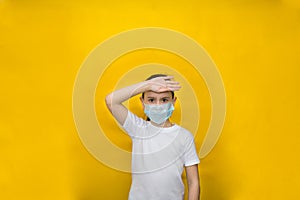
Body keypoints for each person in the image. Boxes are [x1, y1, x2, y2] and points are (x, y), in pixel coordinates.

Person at [105, 74, 200, 200]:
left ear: (173, 102)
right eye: (151, 100)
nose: (158, 105)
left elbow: (193, 182)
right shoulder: (138, 128)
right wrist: (148, 85)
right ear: (142, 102)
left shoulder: (184, 136)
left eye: (164, 100)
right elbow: (111, 101)